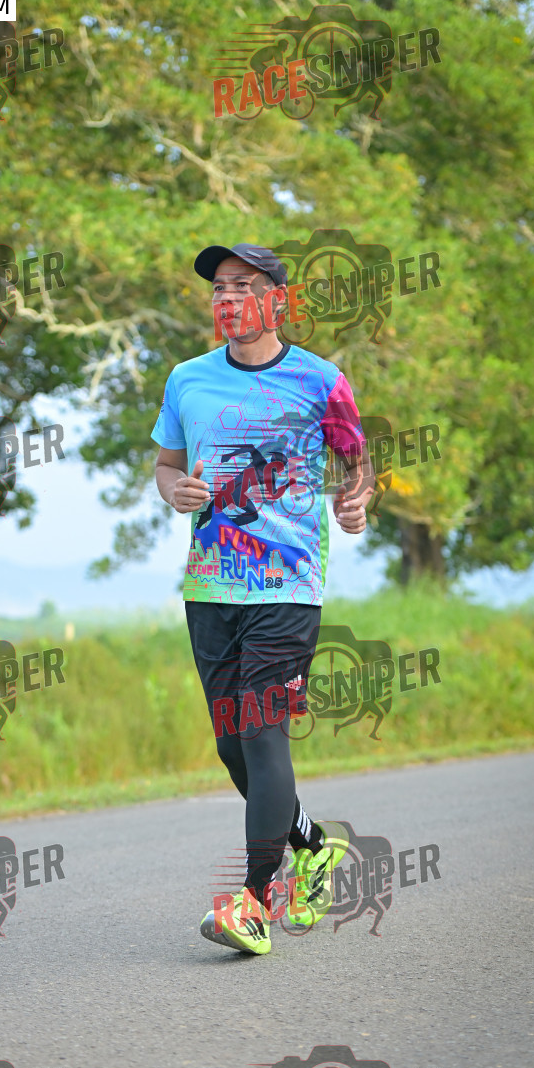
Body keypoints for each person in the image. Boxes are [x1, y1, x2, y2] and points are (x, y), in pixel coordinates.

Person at [151, 243, 374, 955]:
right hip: (209, 586)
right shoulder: (187, 379)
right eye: (220, 287)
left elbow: (357, 462)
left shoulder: (321, 379)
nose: (227, 297)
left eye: (243, 285)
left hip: (288, 586)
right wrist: (175, 491)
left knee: (260, 730)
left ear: (277, 298)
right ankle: (312, 847)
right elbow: (166, 464)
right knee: (231, 745)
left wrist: (356, 500)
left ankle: (252, 901)